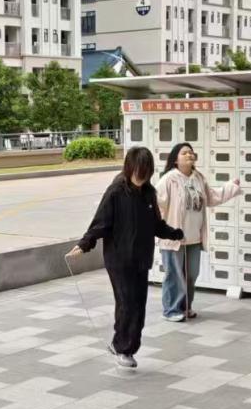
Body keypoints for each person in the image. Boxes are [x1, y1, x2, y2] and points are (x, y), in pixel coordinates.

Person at [67, 146, 184, 368]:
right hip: (119, 260)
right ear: (130, 168)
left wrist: (174, 233)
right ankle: (122, 348)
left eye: (146, 172)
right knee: (127, 303)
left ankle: (125, 346)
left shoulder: (149, 193)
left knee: (139, 306)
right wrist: (84, 244)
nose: (141, 177)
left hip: (141, 258)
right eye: (138, 171)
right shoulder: (116, 192)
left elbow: (156, 225)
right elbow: (101, 223)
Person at [157, 143, 240, 321]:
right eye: (184, 153)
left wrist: (230, 187)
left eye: (191, 152)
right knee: (174, 275)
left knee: (191, 275)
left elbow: (212, 197)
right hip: (173, 239)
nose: (189, 155)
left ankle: (185, 307)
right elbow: (158, 205)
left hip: (194, 237)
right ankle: (171, 310)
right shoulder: (169, 179)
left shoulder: (198, 178)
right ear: (175, 159)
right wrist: (160, 228)